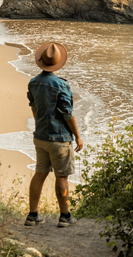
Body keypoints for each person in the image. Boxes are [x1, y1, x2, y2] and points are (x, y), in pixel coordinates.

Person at [23, 42, 83, 228]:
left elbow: (34, 108)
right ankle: (64, 216)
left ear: (41, 61)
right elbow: (67, 114)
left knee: (39, 174)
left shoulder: (33, 82)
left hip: (40, 136)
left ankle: (33, 216)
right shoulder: (61, 85)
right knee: (62, 177)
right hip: (59, 138)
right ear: (59, 64)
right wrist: (78, 136)